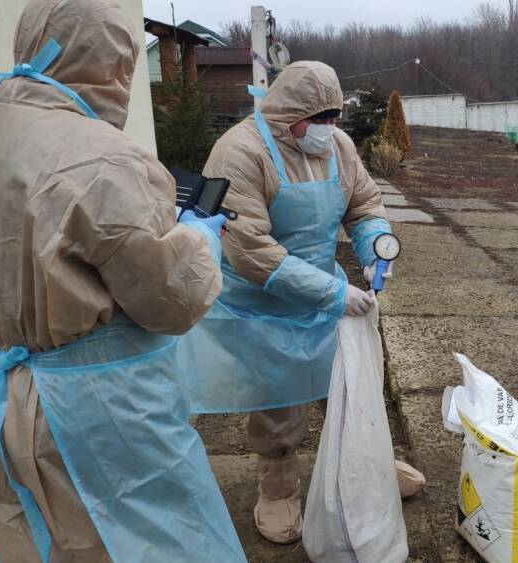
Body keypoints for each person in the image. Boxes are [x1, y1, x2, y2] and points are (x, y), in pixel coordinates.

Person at [0, 0, 246, 560]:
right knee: (151, 543)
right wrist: (198, 239)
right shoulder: (100, 155)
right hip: (96, 414)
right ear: (111, 61)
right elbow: (168, 299)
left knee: (30, 541)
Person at [178, 61, 425, 544]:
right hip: (261, 300)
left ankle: (367, 464)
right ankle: (277, 488)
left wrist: (377, 248)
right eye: (319, 119)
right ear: (289, 113)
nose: (328, 130)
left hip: (321, 289)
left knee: (351, 382)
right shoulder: (240, 151)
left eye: (335, 118)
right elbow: (249, 248)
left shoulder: (338, 146)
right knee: (278, 401)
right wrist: (334, 292)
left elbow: (365, 205)